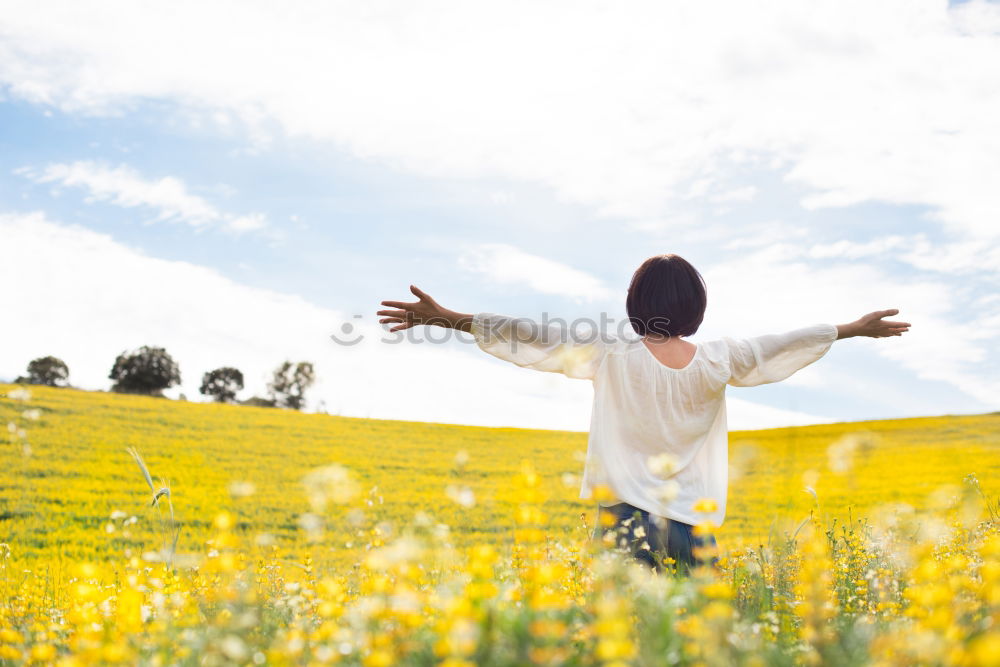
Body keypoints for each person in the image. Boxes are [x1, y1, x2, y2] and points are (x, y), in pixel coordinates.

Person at [377, 254, 910, 574]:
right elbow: (783, 342)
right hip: (691, 523)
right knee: (694, 637)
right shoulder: (721, 358)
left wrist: (449, 319)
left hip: (622, 520)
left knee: (621, 638)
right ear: (696, 307)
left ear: (635, 301)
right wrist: (852, 328)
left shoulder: (612, 350)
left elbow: (531, 334)